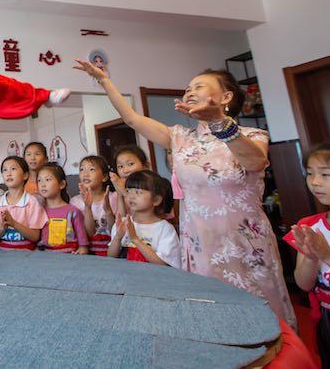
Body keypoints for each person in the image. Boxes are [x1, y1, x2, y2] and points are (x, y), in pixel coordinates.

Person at [73, 59, 296, 328]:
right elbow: (132, 118)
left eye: (199, 86)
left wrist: (219, 123)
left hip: (245, 241)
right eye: (187, 88)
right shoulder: (179, 137)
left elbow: (255, 162)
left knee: (261, 316)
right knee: (211, 314)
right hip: (200, 241)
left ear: (226, 97)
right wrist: (104, 80)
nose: (189, 91)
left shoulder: (253, 134)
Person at [284, 142, 330, 365]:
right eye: (310, 174)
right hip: (328, 318)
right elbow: (304, 285)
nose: (315, 182)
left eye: (325, 174)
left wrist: (327, 255)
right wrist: (312, 257)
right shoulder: (310, 226)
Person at [108, 170, 180, 268]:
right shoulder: (122, 223)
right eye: (128, 191)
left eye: (138, 192)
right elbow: (111, 257)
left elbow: (163, 264)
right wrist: (118, 237)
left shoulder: (165, 229)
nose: (131, 196)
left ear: (156, 200)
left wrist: (135, 239)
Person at [0, 156, 48, 251]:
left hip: (27, 255)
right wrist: (3, 226)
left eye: (13, 169)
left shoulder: (32, 202)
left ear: (25, 175)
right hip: (3, 255)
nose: (8, 173)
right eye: (5, 170)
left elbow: (35, 236)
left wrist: (14, 224)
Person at [70, 155, 116, 256]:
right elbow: (89, 234)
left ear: (104, 177)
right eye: (82, 169)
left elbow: (114, 231)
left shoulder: (113, 198)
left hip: (112, 251)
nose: (85, 174)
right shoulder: (75, 202)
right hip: (88, 252)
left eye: (91, 169)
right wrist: (87, 207)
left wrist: (108, 210)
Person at [37, 163, 88, 254]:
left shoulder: (73, 211)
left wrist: (83, 248)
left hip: (69, 256)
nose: (42, 184)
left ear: (62, 184)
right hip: (45, 257)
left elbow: (82, 239)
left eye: (47, 179)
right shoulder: (39, 211)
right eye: (39, 180)